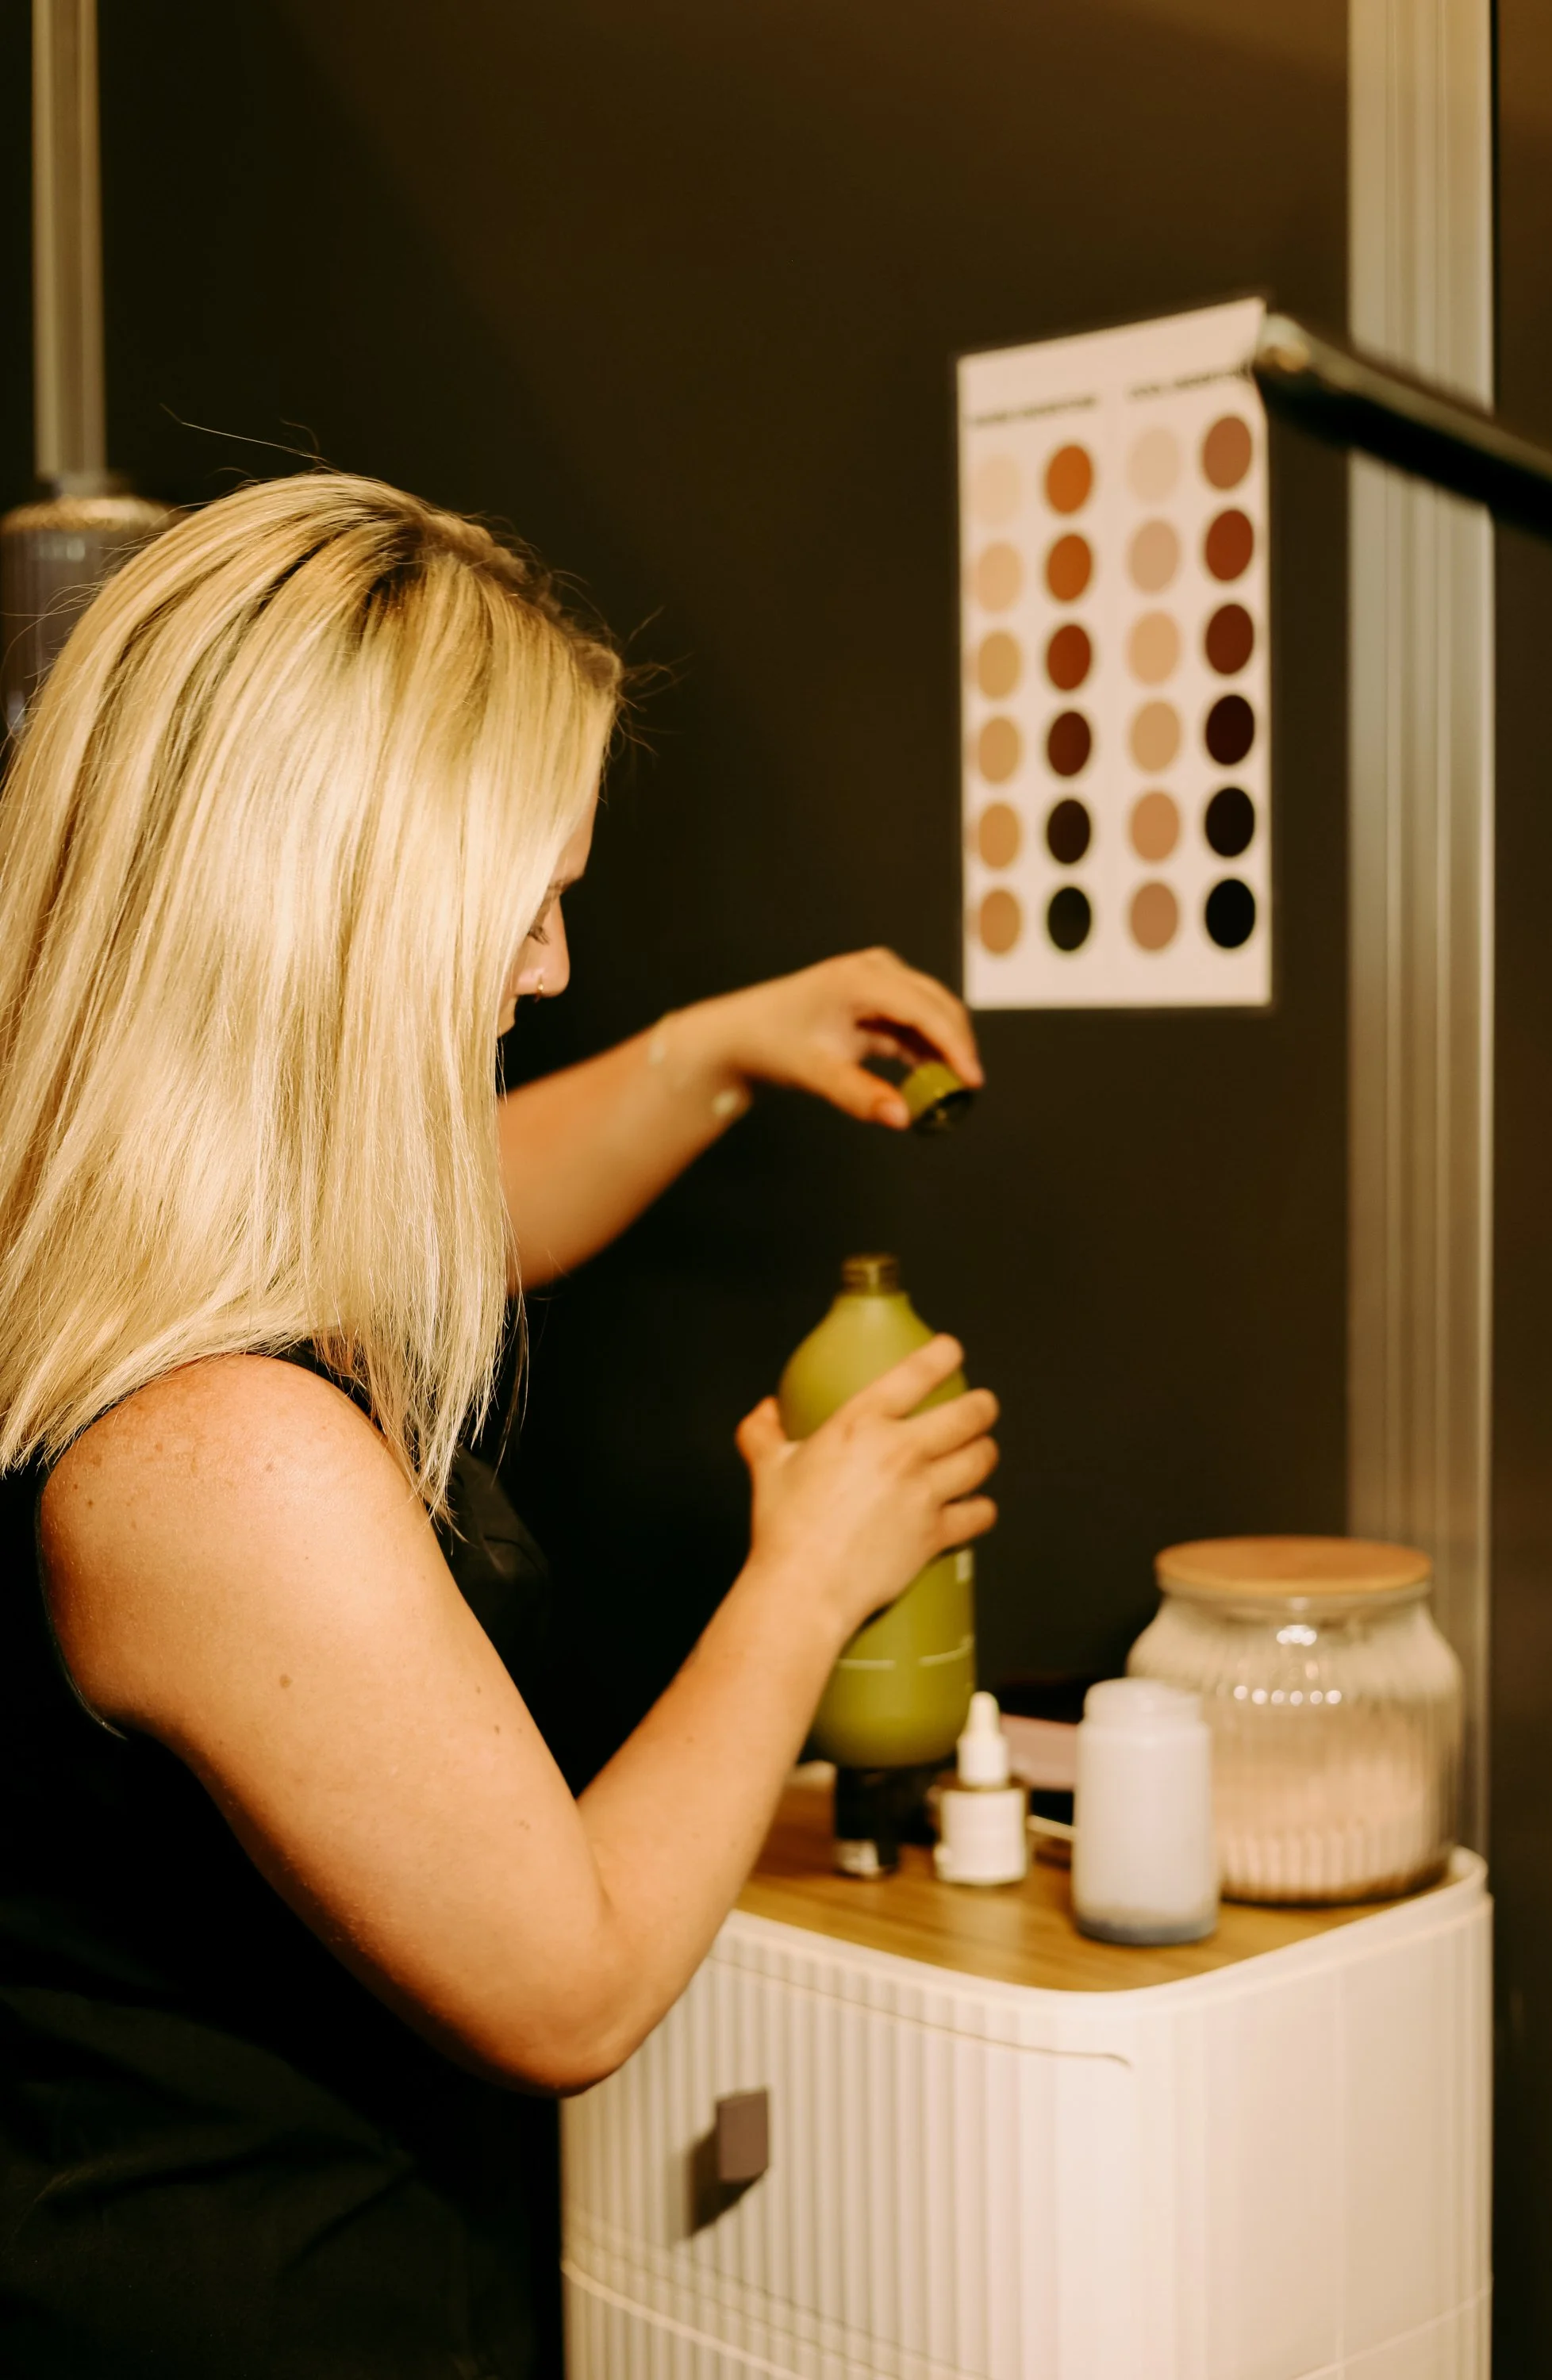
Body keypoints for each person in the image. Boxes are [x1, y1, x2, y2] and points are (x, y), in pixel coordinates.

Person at [0, 472, 999, 2377]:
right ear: (340, 919)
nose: (549, 968)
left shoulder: (81, 1224)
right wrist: (809, 1576)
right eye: (530, 905)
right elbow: (570, 1983)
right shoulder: (225, 1460)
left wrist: (713, 1054)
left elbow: (453, 1212)